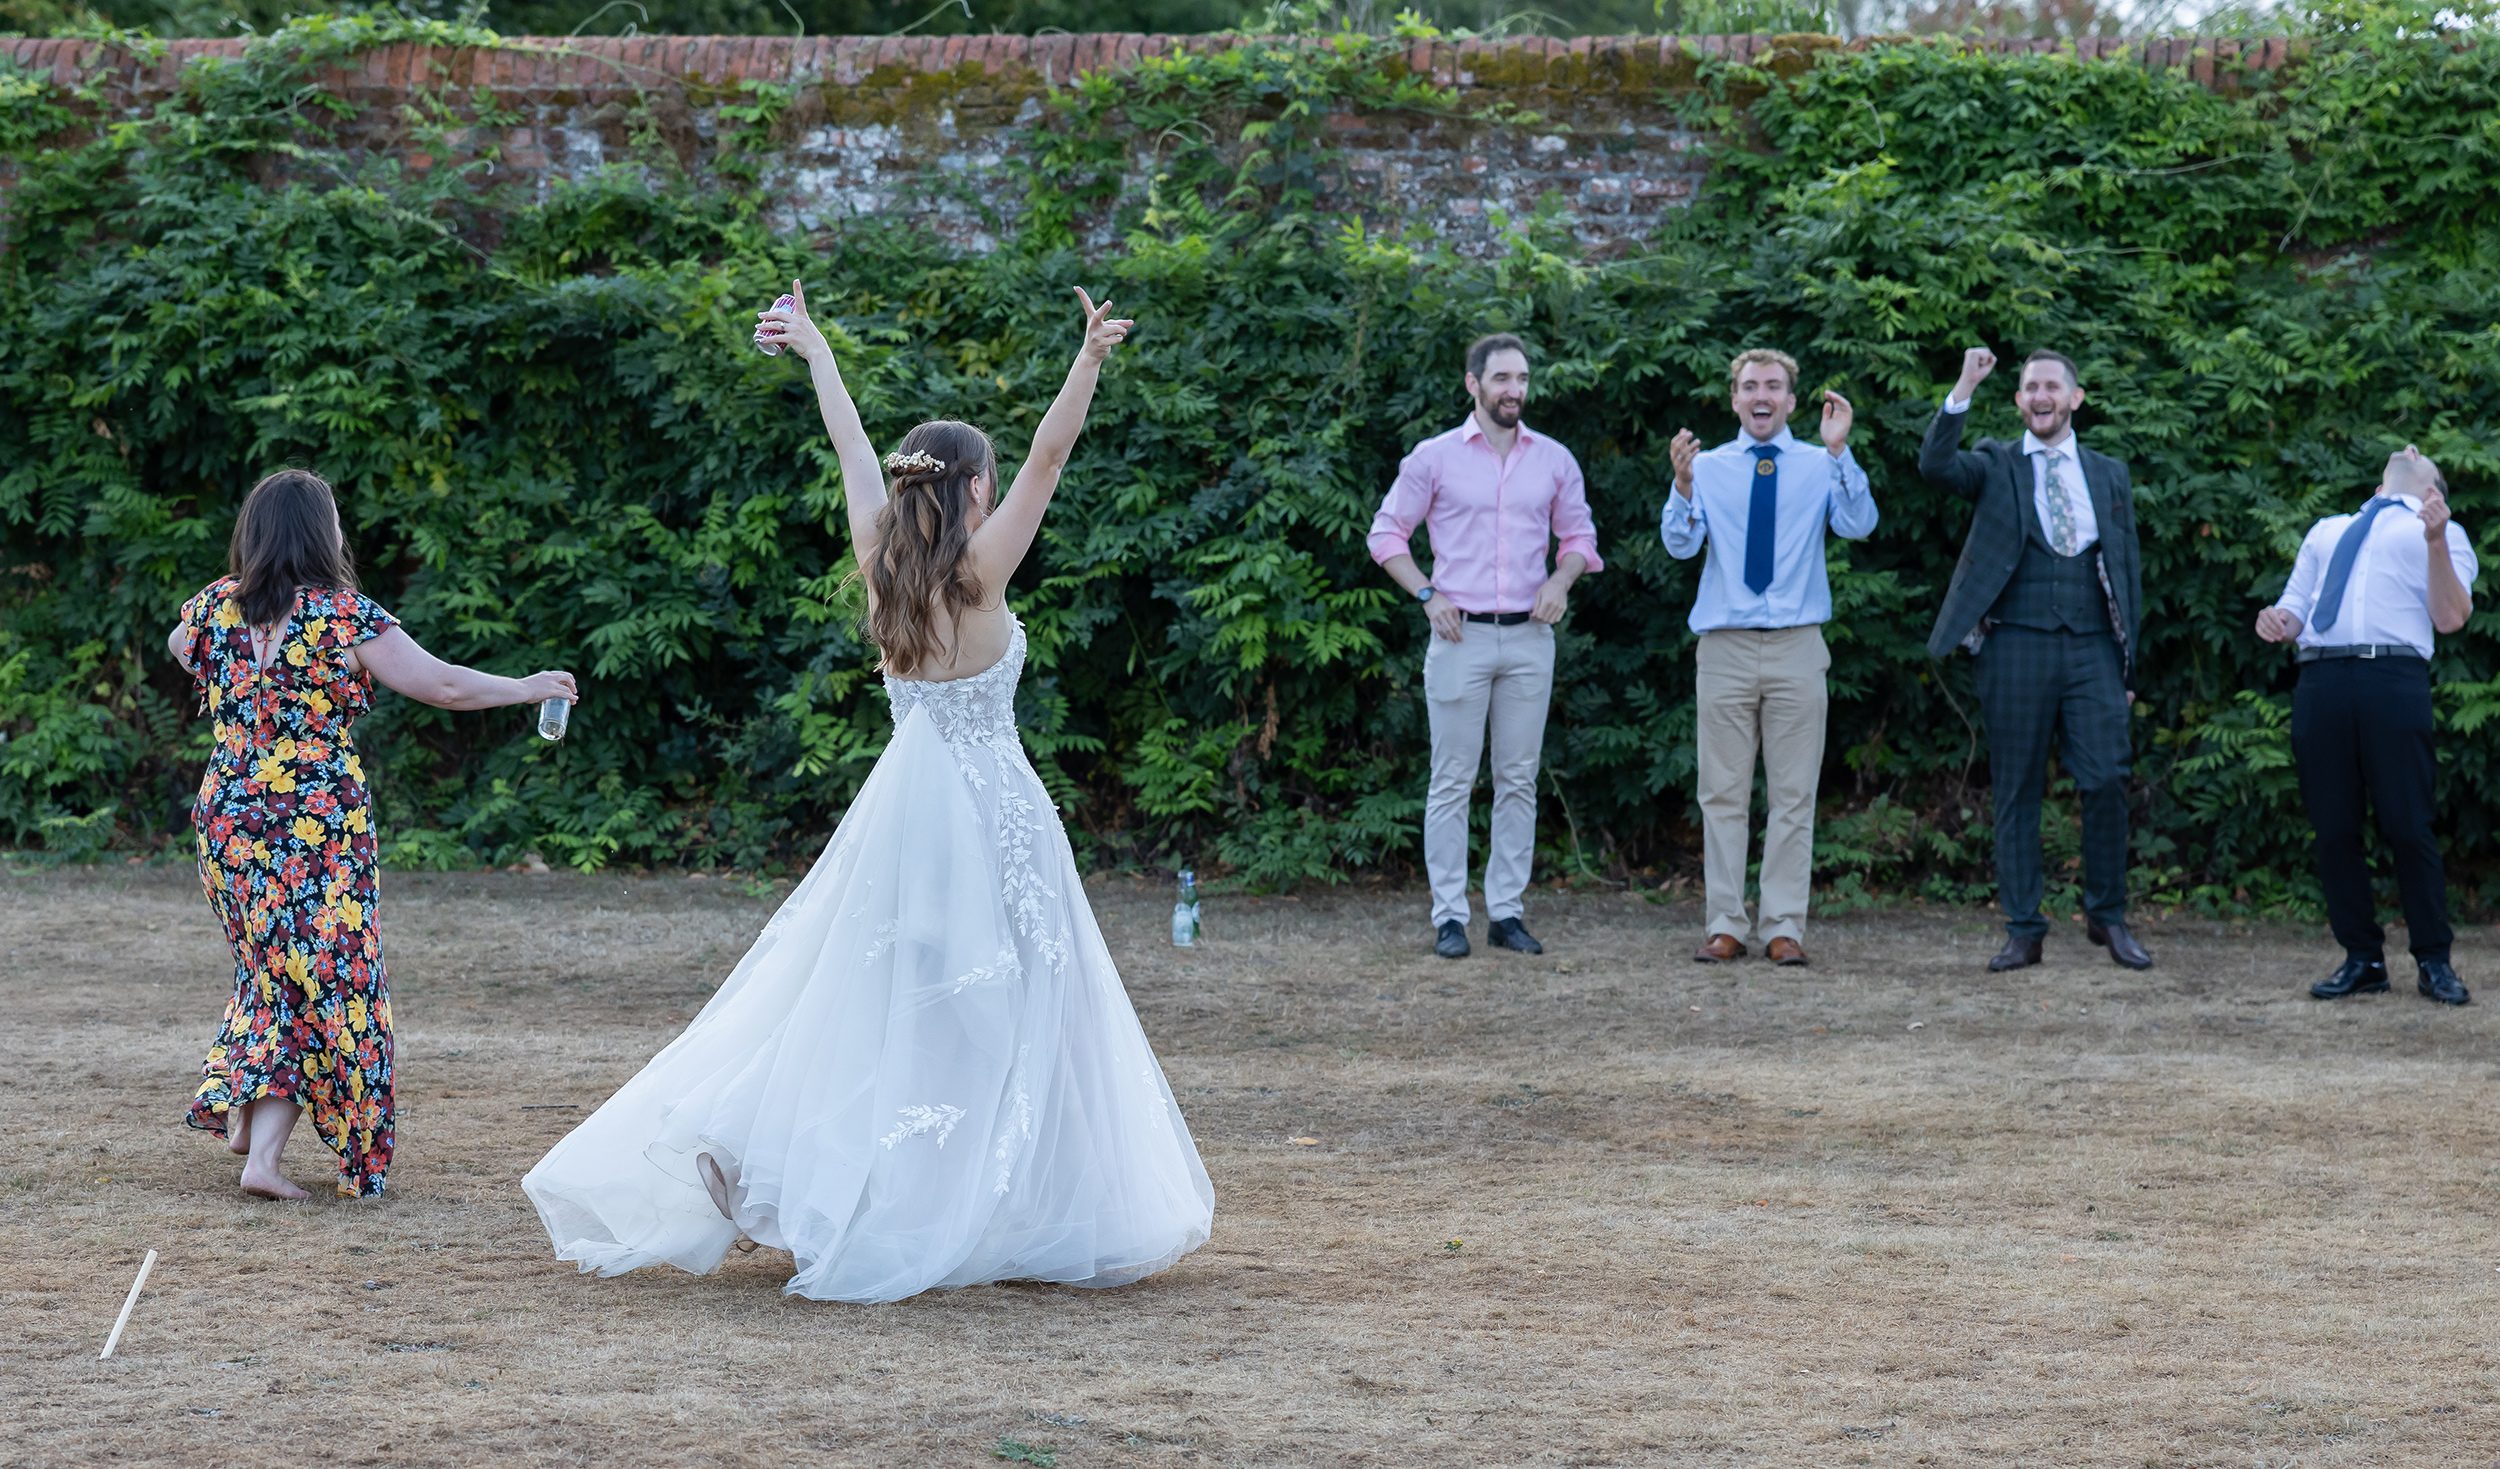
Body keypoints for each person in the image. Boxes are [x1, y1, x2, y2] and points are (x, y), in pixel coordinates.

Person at [524, 281, 1214, 1303]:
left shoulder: (879, 562)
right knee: (1006, 1014)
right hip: (992, 817)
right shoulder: (979, 576)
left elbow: (853, 454)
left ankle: (783, 1153)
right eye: (987, 480)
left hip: (903, 819)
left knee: (867, 1004)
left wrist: (817, 354)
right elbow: (1050, 458)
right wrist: (1086, 362)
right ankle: (969, 1199)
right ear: (972, 489)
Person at [169, 469, 578, 1200]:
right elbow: (443, 685)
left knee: (275, 970)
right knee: (324, 980)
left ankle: (253, 1111)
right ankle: (260, 1153)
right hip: (315, 825)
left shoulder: (213, 608)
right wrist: (526, 687)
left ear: (255, 534)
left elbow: (180, 645)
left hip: (228, 817)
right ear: (323, 534)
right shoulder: (342, 617)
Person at [1368, 333, 1603, 960]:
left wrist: (1562, 577)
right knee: (1450, 781)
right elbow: (1386, 533)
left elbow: (1579, 534)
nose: (1515, 390)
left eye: (1522, 379)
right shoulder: (1435, 457)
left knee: (1518, 780)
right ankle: (1450, 916)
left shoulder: (1553, 459)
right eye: (1502, 379)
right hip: (1458, 634)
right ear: (1474, 384)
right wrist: (1427, 595)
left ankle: (1505, 912)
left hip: (1530, 637)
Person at [1920, 347, 2151, 973]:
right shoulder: (1996, 462)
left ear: (2076, 398)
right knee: (2018, 788)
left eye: (2052, 386)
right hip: (2014, 643)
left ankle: (2106, 915)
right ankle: (2025, 927)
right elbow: (1936, 465)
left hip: (2093, 647)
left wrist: (2128, 667)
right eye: (2029, 388)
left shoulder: (2109, 473)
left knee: (2106, 777)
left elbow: (2127, 570)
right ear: (2019, 401)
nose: (2040, 396)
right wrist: (1964, 384)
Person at [1664, 349, 1876, 967]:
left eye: (1774, 386)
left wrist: (1840, 452)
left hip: (1796, 646)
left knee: (1793, 795)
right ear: (1734, 398)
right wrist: (1681, 487)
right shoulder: (1708, 467)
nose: (1762, 395)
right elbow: (1679, 547)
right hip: (1725, 647)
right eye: (1750, 386)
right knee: (1722, 794)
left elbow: (1860, 524)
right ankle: (1726, 924)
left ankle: (1785, 926)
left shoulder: (1819, 463)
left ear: (1790, 400)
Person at [2257, 445, 2477, 1006]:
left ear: (2434, 488)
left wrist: (2433, 539)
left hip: (2393, 679)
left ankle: (2434, 960)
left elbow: (2451, 617)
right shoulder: (2327, 529)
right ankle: (2363, 958)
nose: (2410, 447)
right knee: (2333, 829)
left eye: (2423, 453)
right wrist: (2277, 621)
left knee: (2409, 824)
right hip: (2321, 681)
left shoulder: (2444, 533)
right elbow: (2295, 608)